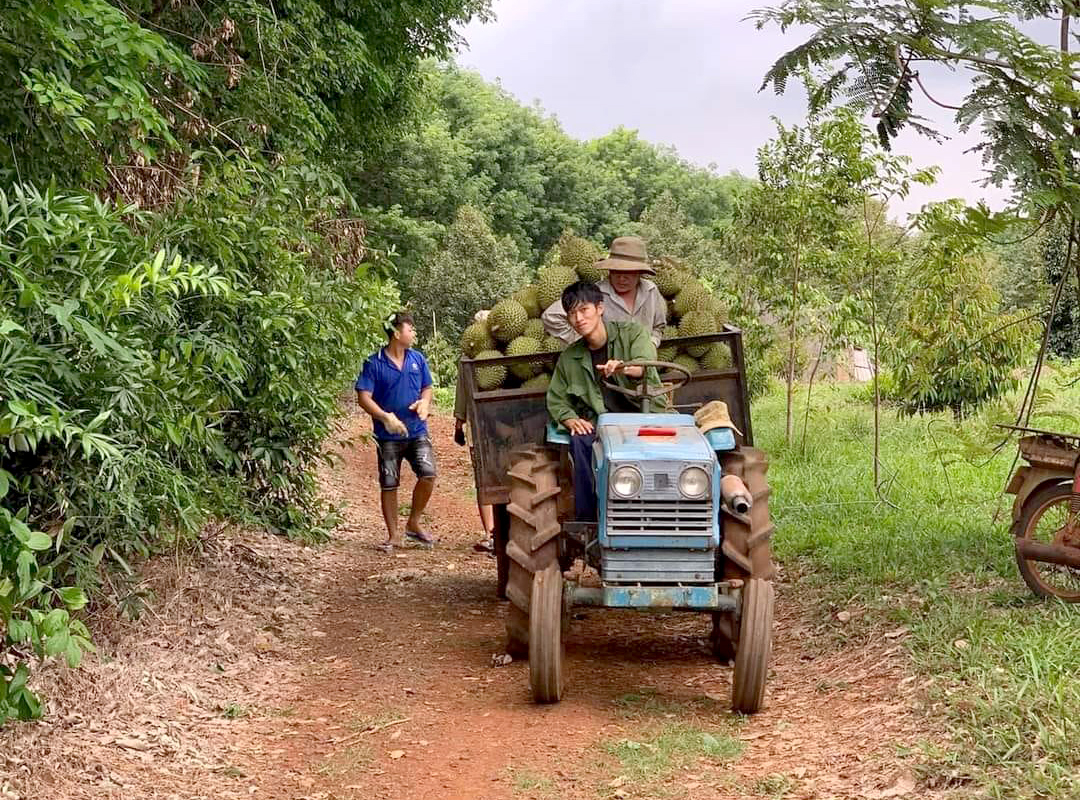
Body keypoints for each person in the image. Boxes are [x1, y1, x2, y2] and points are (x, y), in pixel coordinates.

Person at [546, 281, 660, 522]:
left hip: (644, 418)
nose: (578, 319)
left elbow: (645, 367)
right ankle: (590, 520)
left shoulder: (633, 333)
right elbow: (556, 399)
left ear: (600, 308)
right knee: (580, 439)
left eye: (584, 310)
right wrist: (569, 418)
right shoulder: (570, 357)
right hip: (602, 426)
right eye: (572, 314)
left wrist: (623, 367)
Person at [355, 311, 437, 553]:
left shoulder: (417, 359)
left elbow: (427, 387)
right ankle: (393, 535)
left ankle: (414, 522)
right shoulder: (374, 363)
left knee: (429, 474)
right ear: (396, 333)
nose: (413, 333)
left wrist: (424, 403)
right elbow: (363, 397)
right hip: (387, 435)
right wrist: (384, 417)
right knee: (389, 483)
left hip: (417, 430)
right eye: (409, 329)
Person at [541, 236, 666, 347]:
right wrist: (584, 340)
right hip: (606, 367)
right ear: (609, 270)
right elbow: (551, 316)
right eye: (616, 271)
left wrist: (651, 344)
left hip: (643, 364)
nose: (621, 278)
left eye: (628, 272)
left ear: (639, 273)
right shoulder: (595, 293)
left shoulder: (651, 291)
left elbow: (658, 327)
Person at [453, 366, 496, 554]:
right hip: (480, 419)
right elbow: (464, 386)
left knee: (486, 478)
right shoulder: (468, 356)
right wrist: (460, 421)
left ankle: (492, 533)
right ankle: (490, 533)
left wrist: (459, 421)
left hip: (502, 414)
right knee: (484, 478)